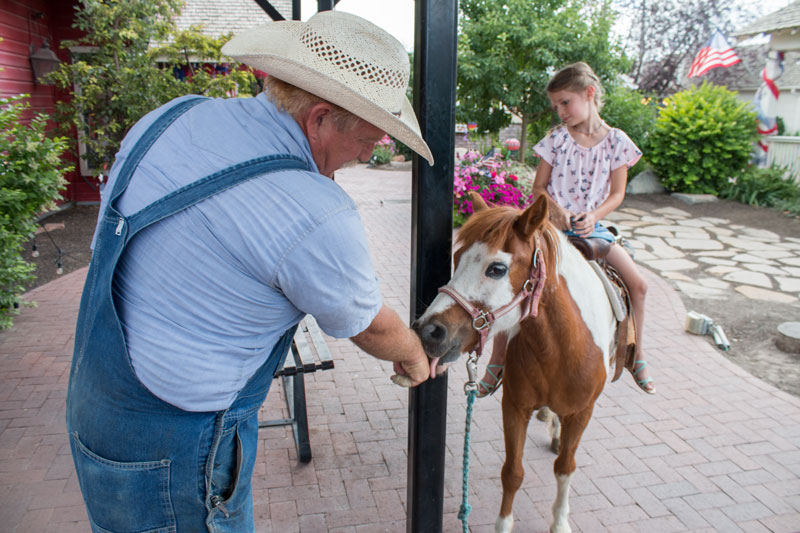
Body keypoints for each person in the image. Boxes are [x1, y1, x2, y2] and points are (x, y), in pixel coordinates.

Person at [66, 11, 434, 532]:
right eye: (370, 139)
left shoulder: (171, 117)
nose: (370, 152)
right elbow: (369, 325)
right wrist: (416, 355)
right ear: (320, 117)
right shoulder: (315, 210)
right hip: (177, 445)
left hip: (96, 402)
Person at [477, 62, 655, 397]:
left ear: (589, 94)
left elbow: (617, 194)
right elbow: (539, 187)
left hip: (592, 228)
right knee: (514, 278)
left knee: (639, 284)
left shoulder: (618, 142)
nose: (560, 111)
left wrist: (592, 215)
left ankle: (637, 353)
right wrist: (557, 212)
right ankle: (497, 359)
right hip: (550, 228)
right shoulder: (556, 140)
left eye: (565, 102)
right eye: (555, 105)